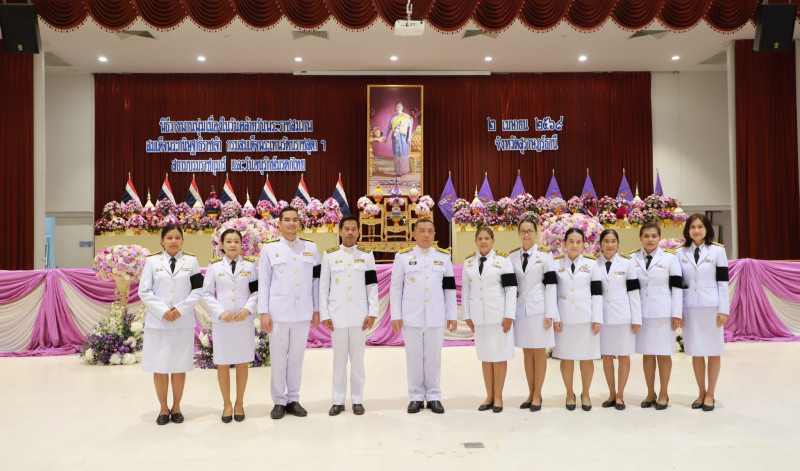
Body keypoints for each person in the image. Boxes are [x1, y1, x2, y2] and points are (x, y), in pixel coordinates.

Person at [258, 206, 321, 419]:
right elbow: (264, 282)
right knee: (278, 358)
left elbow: (316, 281)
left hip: (302, 313)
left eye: (295, 219)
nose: (291, 223)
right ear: (280, 223)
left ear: (299, 223)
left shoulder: (311, 248)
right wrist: (263, 312)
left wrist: (316, 309)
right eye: (287, 219)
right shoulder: (269, 249)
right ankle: (278, 401)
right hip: (278, 314)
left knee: (296, 358)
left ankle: (293, 399)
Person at [138, 224, 203, 425]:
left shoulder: (191, 261)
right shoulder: (152, 262)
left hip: (182, 322)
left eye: (177, 237)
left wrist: (180, 310)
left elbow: (197, 290)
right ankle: (163, 409)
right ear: (162, 240)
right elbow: (144, 291)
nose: (173, 241)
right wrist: (163, 310)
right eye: (169, 237)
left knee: (179, 366)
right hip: (158, 323)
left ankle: (176, 407)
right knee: (160, 366)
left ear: (182, 240)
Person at [390, 218, 457, 414]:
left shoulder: (444, 257)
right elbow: (396, 288)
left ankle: (434, 396)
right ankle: (416, 397)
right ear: (414, 234)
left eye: (430, 231)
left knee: (433, 358)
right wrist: (396, 315)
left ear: (435, 234)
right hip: (411, 317)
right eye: (421, 231)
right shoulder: (403, 257)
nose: (426, 235)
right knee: (414, 358)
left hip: (435, 317)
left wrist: (452, 315)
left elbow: (449, 289)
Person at [319, 215, 379, 416]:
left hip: (360, 316)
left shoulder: (367, 255)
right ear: (340, 231)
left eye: (354, 229)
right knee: (339, 361)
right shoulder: (329, 255)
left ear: (359, 232)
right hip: (336, 316)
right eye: (347, 229)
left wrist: (372, 312)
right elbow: (323, 287)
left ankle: (357, 400)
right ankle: (338, 400)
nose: (350, 233)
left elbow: (372, 286)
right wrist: (324, 313)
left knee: (358, 360)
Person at [202, 229, 259, 423]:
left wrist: (248, 309)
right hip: (223, 322)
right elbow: (206, 293)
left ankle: (239, 403)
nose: (233, 245)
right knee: (223, 363)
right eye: (228, 241)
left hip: (243, 321)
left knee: (242, 362)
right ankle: (227, 404)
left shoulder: (249, 265)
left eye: (236, 241)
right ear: (222, 245)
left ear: (242, 244)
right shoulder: (214, 266)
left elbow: (256, 292)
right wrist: (219, 311)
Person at [462, 227, 517, 413]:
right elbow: (466, 290)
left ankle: (498, 396)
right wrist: (467, 315)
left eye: (487, 238)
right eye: (480, 238)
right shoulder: (469, 262)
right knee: (485, 357)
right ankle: (489, 396)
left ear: (493, 241)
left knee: (499, 356)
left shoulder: (503, 261)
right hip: (479, 317)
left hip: (499, 317)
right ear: (475, 241)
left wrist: (509, 315)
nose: (483, 241)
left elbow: (511, 289)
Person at [678, 213, 729, 412]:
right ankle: (701, 392)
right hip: (690, 308)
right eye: (692, 227)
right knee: (696, 351)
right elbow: (678, 285)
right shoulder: (680, 253)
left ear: (707, 229)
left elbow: (722, 282)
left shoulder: (717, 251)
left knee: (713, 351)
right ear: (687, 231)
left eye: (700, 227)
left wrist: (723, 309)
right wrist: (678, 310)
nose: (696, 231)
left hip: (711, 308)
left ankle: (710, 394)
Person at [631, 222, 683, 410]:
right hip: (642, 314)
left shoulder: (670, 258)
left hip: (663, 314)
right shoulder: (632, 258)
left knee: (663, 353)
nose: (650, 239)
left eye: (654, 236)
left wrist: (677, 313)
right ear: (640, 238)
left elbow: (677, 287)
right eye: (646, 236)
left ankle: (663, 393)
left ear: (659, 237)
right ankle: (650, 392)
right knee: (647, 354)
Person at [508, 217, 558, 412]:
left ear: (536, 233)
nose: (526, 234)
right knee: (527, 352)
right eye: (523, 231)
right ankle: (530, 393)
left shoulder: (545, 255)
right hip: (521, 309)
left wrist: (550, 313)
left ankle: (538, 394)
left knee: (538, 352)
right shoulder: (512, 256)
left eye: (530, 231)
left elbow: (551, 285)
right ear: (518, 233)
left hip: (539, 310)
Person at [552, 228, 603, 411]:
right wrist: (555, 317)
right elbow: (551, 293)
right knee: (566, 358)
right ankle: (569, 393)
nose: (574, 245)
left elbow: (597, 293)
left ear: (583, 245)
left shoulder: (592, 264)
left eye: (578, 242)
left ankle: (586, 394)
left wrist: (597, 318)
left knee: (587, 358)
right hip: (564, 319)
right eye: (571, 241)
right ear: (564, 244)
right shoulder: (555, 264)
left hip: (586, 319)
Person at [596, 229, 642, 411]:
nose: (609, 245)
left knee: (623, 356)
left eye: (613, 241)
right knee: (607, 356)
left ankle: (621, 395)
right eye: (606, 241)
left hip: (623, 316)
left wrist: (636, 318)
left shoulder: (627, 263)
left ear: (618, 243)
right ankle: (611, 394)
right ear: (600, 244)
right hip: (603, 317)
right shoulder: (593, 263)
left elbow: (634, 292)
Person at [381, 101, 413, 176]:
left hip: (403, 138)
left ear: (402, 108)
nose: (398, 108)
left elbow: (410, 129)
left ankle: (403, 171)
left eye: (400, 107)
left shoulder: (407, 117)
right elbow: (388, 127)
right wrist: (385, 136)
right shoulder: (393, 117)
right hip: (395, 137)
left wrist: (409, 138)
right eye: (397, 107)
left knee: (403, 154)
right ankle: (398, 172)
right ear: (395, 108)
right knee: (396, 155)